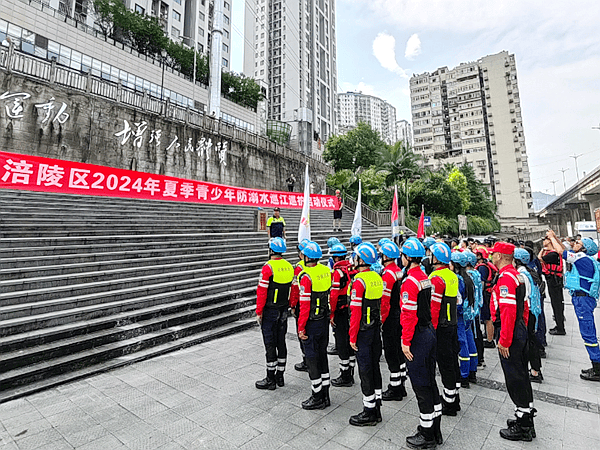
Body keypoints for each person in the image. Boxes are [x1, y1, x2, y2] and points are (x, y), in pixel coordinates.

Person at [490, 242, 536, 442]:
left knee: (515, 378)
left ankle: (523, 426)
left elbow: (508, 311)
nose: (492, 257)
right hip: (519, 328)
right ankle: (523, 416)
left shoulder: (507, 278)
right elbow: (524, 307)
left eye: (494, 254)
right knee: (521, 375)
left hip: (510, 331)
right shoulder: (516, 275)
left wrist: (505, 340)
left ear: (500, 256)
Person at [400, 238, 442, 449]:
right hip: (429, 333)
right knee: (431, 382)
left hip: (417, 336)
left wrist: (405, 342)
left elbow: (408, 314)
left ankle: (426, 435)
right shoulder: (425, 277)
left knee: (421, 384)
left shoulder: (409, 281)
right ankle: (435, 428)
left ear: (407, 257)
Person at [348, 242, 384, 426]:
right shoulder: (377, 277)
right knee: (375, 367)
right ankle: (377, 406)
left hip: (362, 331)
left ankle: (368, 411)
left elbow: (355, 312)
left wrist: (352, 336)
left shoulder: (359, 281)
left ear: (361, 260)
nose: (354, 259)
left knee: (365, 371)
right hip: (375, 330)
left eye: (356, 257)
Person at [255, 238, 294, 390]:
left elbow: (262, 291)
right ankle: (280, 376)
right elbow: (294, 290)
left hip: (270, 310)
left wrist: (259, 312)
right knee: (281, 341)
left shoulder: (267, 268)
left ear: (271, 250)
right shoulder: (289, 266)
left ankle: (270, 378)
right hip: (283, 309)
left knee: (270, 344)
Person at [297, 241, 332, 410]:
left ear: (306, 257)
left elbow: (304, 306)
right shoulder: (326, 271)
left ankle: (317, 395)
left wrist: (301, 327)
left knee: (312, 359)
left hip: (311, 322)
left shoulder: (306, 276)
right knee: (322, 356)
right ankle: (325, 394)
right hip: (324, 321)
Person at [429, 242, 461, 415]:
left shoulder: (436, 277)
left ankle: (448, 402)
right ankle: (454, 397)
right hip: (453, 323)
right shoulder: (452, 275)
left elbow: (434, 307)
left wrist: (432, 329)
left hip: (441, 325)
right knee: (452, 361)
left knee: (445, 364)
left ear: (437, 258)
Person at [563, 237, 600, 381]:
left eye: (579, 243)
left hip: (583, 299)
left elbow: (563, 253)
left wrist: (553, 237)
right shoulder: (585, 259)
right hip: (583, 298)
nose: (575, 244)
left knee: (588, 333)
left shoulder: (582, 259)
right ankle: (596, 364)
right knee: (588, 332)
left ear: (585, 248)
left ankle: (597, 369)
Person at [380, 241, 408, 401]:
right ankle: (401, 383)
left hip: (391, 316)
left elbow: (384, 302)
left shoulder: (387, 274)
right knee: (398, 352)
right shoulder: (399, 271)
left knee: (391, 352)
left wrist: (382, 321)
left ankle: (395, 387)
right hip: (399, 314)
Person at [514, 248, 544, 383]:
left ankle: (535, 371)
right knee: (531, 339)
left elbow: (523, 297)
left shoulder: (521, 275)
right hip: (532, 311)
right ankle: (535, 369)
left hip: (527, 311)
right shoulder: (529, 272)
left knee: (529, 341)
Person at [330, 243, 356, 387]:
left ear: (335, 257)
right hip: (351, 310)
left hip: (340, 310)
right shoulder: (351, 268)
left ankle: (345, 375)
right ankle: (350, 371)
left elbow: (334, 295)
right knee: (350, 341)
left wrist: (331, 313)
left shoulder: (337, 272)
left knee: (341, 343)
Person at [451, 252, 478, 389]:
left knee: (462, 344)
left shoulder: (457, 280)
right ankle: (473, 371)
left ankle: (464, 375)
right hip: (469, 315)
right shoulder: (469, 277)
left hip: (460, 316)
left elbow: (457, 302)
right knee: (470, 341)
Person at [539, 230, 566, 335]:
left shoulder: (552, 254)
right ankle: (560, 324)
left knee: (556, 304)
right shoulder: (554, 253)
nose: (543, 242)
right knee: (558, 303)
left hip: (553, 280)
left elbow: (539, 259)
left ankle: (560, 328)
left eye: (545, 239)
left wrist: (542, 249)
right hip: (555, 280)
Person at [291, 239, 309, 372]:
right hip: (316, 307)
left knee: (302, 332)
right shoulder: (318, 267)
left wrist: (292, 305)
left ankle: (306, 360)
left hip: (301, 304)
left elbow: (295, 289)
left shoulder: (299, 267)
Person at [465, 251, 485, 368]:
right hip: (477, 309)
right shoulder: (476, 273)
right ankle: (480, 358)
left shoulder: (469, 276)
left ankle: (476, 360)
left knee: (473, 336)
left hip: (471, 311)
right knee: (477, 335)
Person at [475, 246, 498, 350]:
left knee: (487, 318)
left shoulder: (482, 267)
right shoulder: (485, 265)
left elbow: (482, 283)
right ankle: (489, 336)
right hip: (487, 293)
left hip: (486, 294)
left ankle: (490, 340)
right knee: (486, 317)